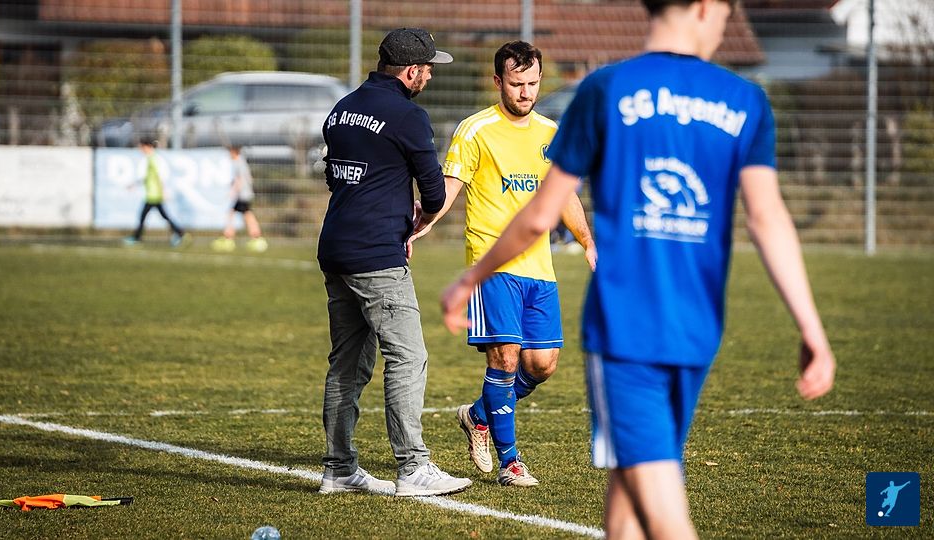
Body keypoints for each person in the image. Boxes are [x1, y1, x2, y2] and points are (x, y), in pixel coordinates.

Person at [440, 1, 836, 537]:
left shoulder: (605, 90)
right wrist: (811, 327)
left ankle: (482, 416)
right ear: (705, 8)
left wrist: (468, 279)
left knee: (631, 497)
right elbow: (767, 219)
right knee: (649, 496)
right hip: (695, 324)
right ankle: (503, 446)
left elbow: (541, 212)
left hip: (625, 324)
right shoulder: (746, 100)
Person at [410, 41, 596, 487]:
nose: (526, 92)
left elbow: (564, 195)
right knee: (506, 357)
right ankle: (511, 463)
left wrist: (588, 242)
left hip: (539, 267)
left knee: (542, 364)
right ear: (498, 82)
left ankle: (478, 415)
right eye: (516, 84)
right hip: (491, 263)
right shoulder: (476, 130)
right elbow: (451, 185)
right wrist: (423, 223)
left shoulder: (551, 133)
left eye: (532, 83)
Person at [316, 27, 472, 497]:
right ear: (410, 71)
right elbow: (435, 192)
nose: (430, 76)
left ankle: (339, 469)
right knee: (408, 357)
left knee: (347, 364)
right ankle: (413, 467)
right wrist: (416, 217)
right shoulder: (408, 116)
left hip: (336, 247)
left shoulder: (342, 108)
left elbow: (337, 177)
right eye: (427, 69)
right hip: (377, 255)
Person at [124, 137, 189, 247]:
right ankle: (179, 233)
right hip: (152, 194)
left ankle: (137, 238)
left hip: (154, 194)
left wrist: (163, 191)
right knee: (162, 216)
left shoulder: (154, 159)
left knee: (144, 216)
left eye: (142, 147)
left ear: (147, 146)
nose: (141, 150)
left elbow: (160, 177)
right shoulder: (150, 158)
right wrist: (134, 184)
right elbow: (146, 177)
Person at [211, 145, 267, 253]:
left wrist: (233, 192)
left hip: (241, 195)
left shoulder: (237, 163)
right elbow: (249, 178)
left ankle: (229, 238)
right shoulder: (243, 162)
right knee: (246, 214)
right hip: (245, 194)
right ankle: (254, 237)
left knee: (236, 214)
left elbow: (239, 179)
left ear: (234, 152)